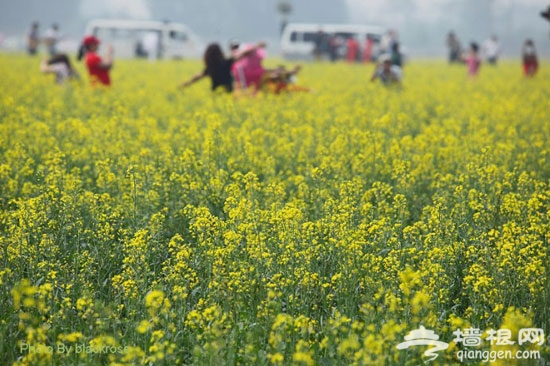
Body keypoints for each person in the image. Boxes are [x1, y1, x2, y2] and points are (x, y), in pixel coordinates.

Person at [179, 42, 265, 93]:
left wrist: (182, 86)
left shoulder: (210, 68)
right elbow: (243, 54)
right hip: (228, 93)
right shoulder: (227, 63)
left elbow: (195, 78)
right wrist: (257, 46)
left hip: (215, 95)